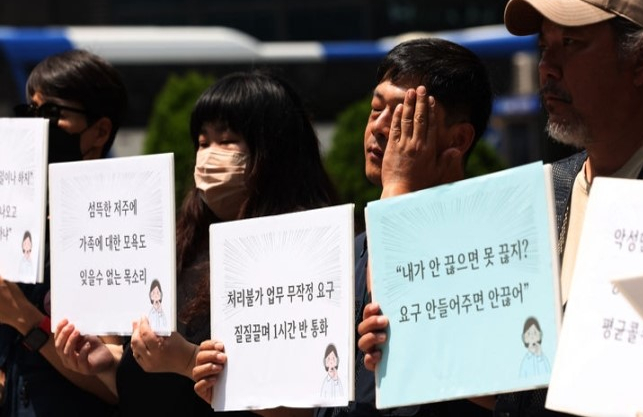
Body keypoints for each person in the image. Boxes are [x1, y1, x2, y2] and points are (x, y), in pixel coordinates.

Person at [193, 38, 494, 417]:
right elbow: (323, 402)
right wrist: (238, 385)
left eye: (402, 114)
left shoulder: (484, 244)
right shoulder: (345, 250)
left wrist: (398, 186)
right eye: (376, 109)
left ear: (458, 139)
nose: (379, 127)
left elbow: (504, 390)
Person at [54, 70, 339, 417]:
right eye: (203, 143)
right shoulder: (183, 246)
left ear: (275, 150)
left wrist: (188, 361)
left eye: (227, 140)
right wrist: (108, 362)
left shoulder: (303, 254)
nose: (208, 157)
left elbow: (302, 408)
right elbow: (152, 385)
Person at [494, 0, 643, 416]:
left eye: (572, 44)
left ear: (641, 59)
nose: (547, 67)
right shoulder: (545, 193)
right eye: (544, 46)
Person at [0, 49, 127, 416]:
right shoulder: (22, 219)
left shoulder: (114, 228)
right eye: (30, 112)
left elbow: (116, 385)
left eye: (51, 115)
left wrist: (25, 319)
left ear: (100, 130)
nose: (37, 127)